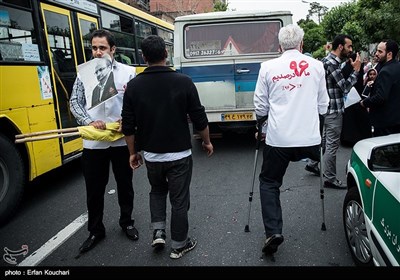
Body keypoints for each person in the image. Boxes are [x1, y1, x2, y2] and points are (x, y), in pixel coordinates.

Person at [121, 35, 214, 259]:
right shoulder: (183, 81)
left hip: (152, 155)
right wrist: (207, 141)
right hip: (180, 154)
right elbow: (199, 118)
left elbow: (128, 125)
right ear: (166, 54)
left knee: (157, 191)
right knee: (179, 199)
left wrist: (133, 152)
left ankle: (158, 231)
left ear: (143, 57)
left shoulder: (134, 86)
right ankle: (179, 244)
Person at [253, 24, 329, 255]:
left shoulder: (267, 67)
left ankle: (273, 231)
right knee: (273, 179)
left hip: (279, 139)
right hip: (309, 138)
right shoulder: (317, 66)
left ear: (279, 46)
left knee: (269, 182)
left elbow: (260, 105)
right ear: (301, 44)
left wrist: (261, 128)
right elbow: (323, 104)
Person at [69, 29, 138, 255]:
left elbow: (137, 102)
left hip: (120, 142)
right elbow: (75, 103)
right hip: (94, 143)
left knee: (125, 186)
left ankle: (127, 222)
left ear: (113, 49)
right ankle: (95, 230)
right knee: (94, 190)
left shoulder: (128, 73)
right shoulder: (83, 74)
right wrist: (90, 121)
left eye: (102, 48)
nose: (97, 52)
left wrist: (126, 120)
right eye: (94, 48)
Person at [317, 34, 361, 189]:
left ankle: (317, 165)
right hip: (333, 110)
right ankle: (330, 178)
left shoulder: (326, 61)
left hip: (326, 109)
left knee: (325, 142)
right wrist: (356, 71)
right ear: (340, 47)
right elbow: (344, 87)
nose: (351, 50)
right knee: (332, 145)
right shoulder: (332, 63)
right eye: (349, 46)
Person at [360, 39, 400, 136]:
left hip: (385, 123)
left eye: (380, 51)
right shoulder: (397, 66)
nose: (376, 54)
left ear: (389, 54)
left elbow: (381, 97)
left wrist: (364, 103)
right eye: (377, 50)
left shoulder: (385, 71)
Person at [340, 53, 372, 145]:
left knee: (349, 119)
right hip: (357, 97)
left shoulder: (345, 68)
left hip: (349, 98)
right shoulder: (357, 68)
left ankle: (347, 138)